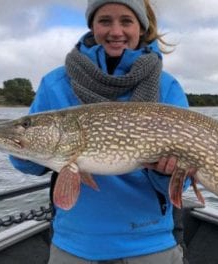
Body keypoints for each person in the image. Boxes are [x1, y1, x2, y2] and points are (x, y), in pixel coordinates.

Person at [10, 0, 189, 263]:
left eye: (126, 21)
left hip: (149, 244)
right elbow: (29, 165)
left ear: (141, 27)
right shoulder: (55, 84)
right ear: (92, 26)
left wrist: (167, 172)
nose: (116, 31)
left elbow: (181, 183)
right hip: (75, 246)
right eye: (105, 20)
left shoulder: (167, 87)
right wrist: (22, 147)